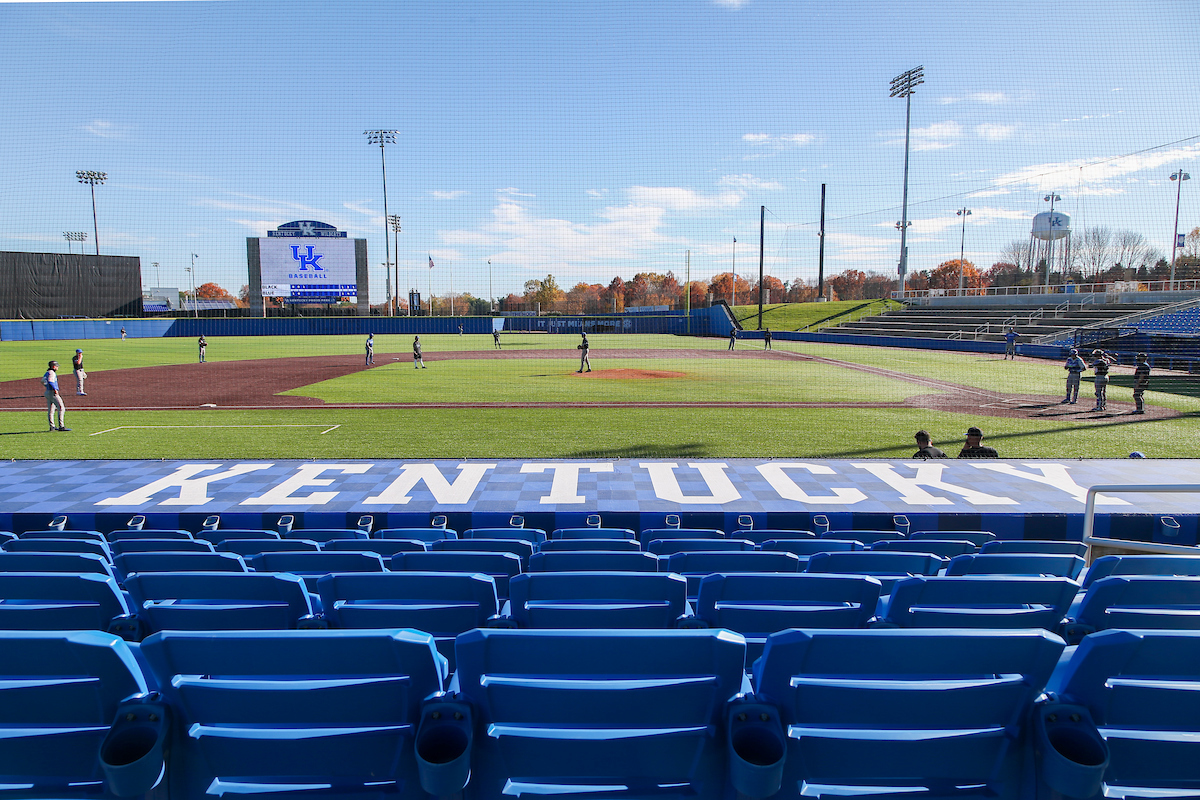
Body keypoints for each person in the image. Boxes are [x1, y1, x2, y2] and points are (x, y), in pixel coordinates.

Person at [42, 360, 68, 432]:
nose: (57, 367)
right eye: (57, 366)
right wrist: (55, 389)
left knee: (51, 410)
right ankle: (61, 426)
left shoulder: (47, 373)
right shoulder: (52, 373)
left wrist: (46, 386)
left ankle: (52, 426)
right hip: (52, 392)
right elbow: (50, 381)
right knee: (61, 408)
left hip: (47, 392)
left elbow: (42, 381)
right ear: (53, 366)